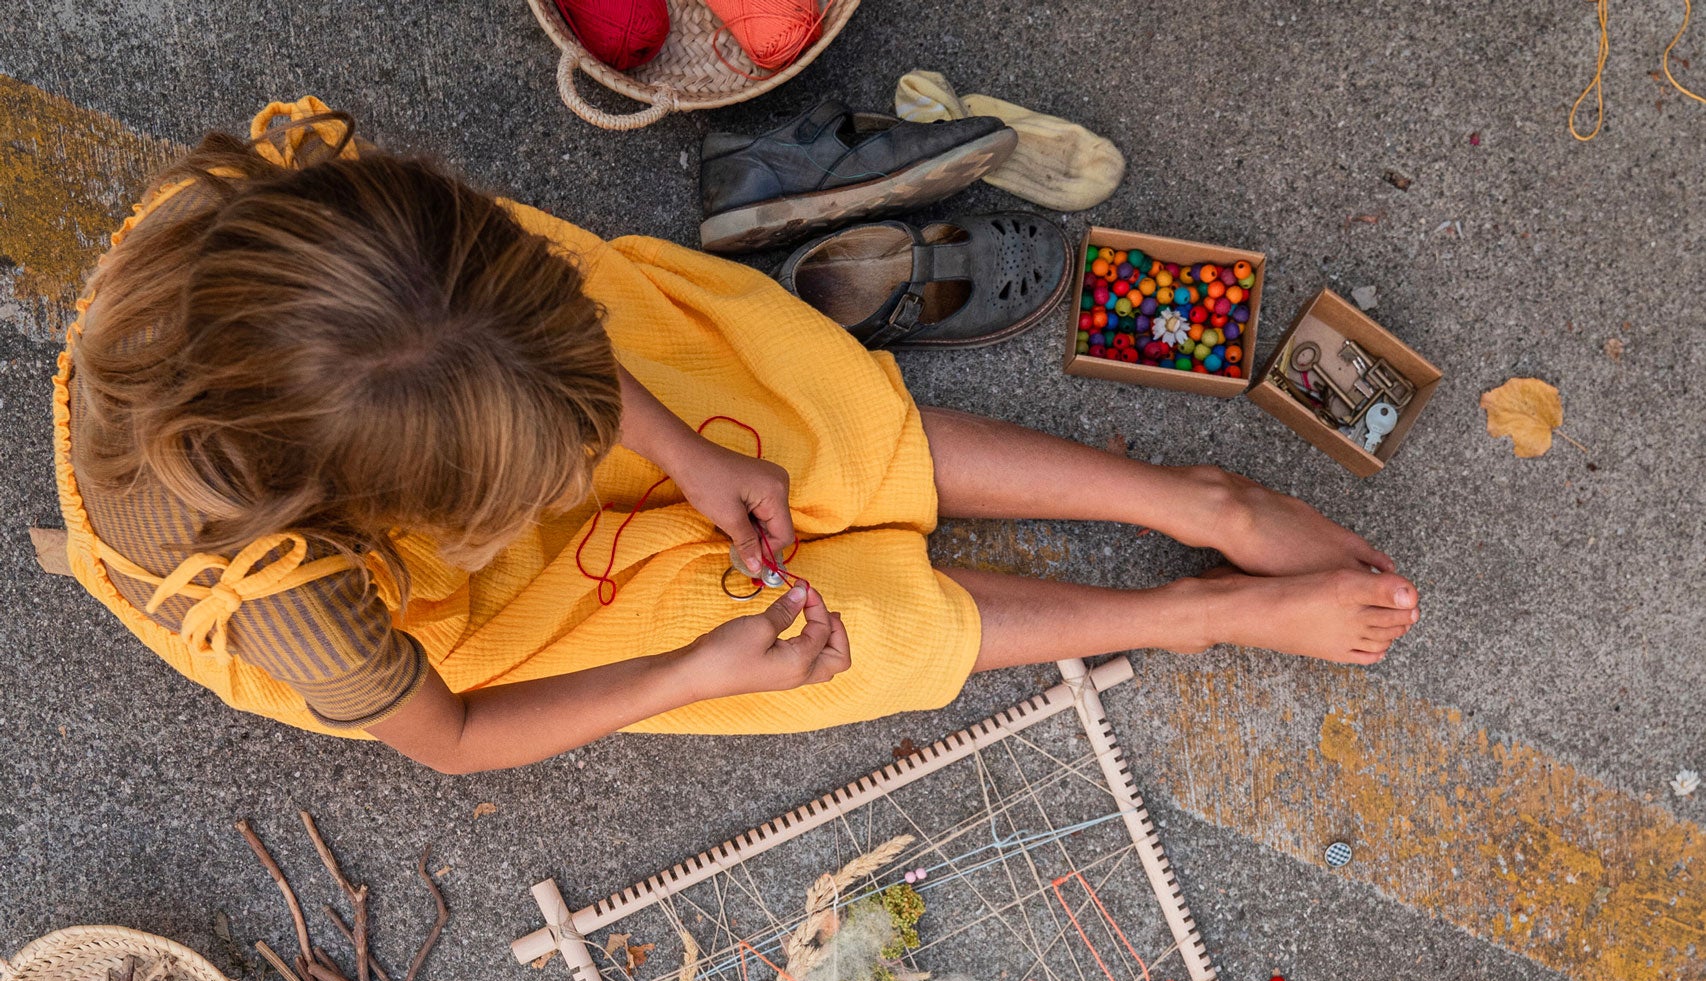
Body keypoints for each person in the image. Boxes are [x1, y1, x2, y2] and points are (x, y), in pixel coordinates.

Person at [54, 98, 1421, 777]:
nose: (579, 466)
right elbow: (455, 735)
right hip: (447, 613)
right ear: (413, 503)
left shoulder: (367, 259)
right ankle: (1181, 618)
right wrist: (692, 677)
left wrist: (689, 455)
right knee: (786, 632)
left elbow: (548, 346)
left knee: (764, 428)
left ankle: (1199, 504)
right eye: (543, 469)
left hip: (440, 397)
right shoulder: (303, 607)